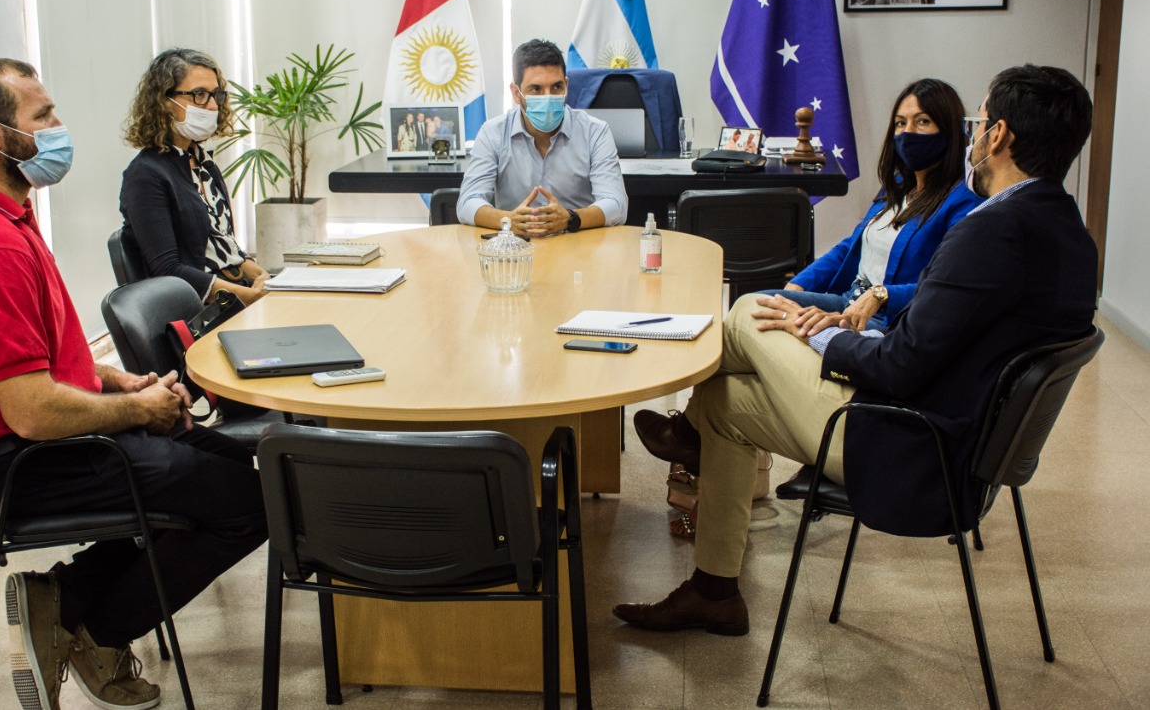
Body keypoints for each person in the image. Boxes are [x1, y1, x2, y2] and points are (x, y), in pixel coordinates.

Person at [615, 64, 1096, 635]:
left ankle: (682, 434)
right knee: (724, 402)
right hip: (960, 443)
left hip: (906, 445)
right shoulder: (1069, 232)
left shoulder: (991, 231)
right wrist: (825, 320)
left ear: (999, 137)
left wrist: (819, 331)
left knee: (748, 313)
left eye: (980, 120)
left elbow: (900, 364)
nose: (973, 132)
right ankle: (714, 591)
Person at [0, 58, 269, 709]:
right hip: (23, 461)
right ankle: (95, 633)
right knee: (250, 504)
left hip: (35, 438)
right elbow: (32, 410)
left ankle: (59, 598)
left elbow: (30, 357)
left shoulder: (0, 212)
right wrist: (134, 411)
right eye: (42, 116)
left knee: (232, 465)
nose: (58, 127)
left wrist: (116, 381)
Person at [764, 79, 981, 335]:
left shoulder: (965, 200)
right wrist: (797, 287)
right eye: (901, 123)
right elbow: (852, 245)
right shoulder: (897, 185)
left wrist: (881, 295)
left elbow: (945, 286)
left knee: (778, 334)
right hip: (847, 302)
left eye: (922, 121)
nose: (907, 132)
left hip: (885, 321)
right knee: (753, 304)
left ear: (949, 130)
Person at [119, 47, 269, 305]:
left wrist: (261, 274)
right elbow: (168, 270)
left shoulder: (203, 162)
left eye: (215, 95)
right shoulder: (145, 175)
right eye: (199, 94)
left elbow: (222, 244)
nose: (212, 105)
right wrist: (249, 296)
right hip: (199, 310)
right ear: (164, 101)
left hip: (234, 293)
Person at [456, 38, 628, 237]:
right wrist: (508, 220)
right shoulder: (493, 133)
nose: (548, 97)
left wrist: (570, 219)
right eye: (536, 89)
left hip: (578, 245)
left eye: (556, 87)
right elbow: (468, 202)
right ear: (516, 93)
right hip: (516, 250)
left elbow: (616, 204)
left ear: (566, 85)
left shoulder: (595, 132)